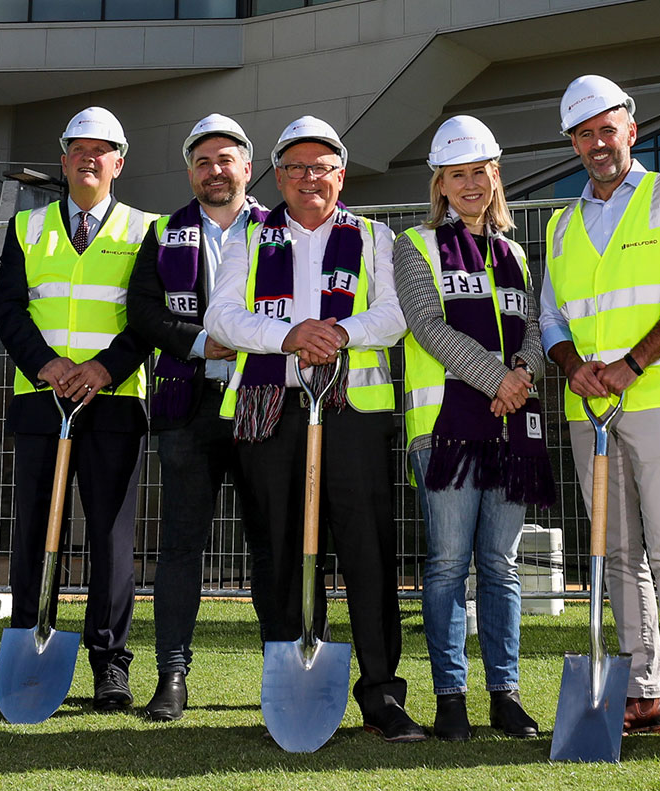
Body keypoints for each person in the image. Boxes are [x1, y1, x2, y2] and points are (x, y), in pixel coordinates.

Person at [202, 115, 423, 742]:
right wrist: (289, 337)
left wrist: (341, 335)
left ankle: (382, 694)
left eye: (320, 167)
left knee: (368, 554)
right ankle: (291, 682)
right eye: (294, 169)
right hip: (273, 414)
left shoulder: (376, 237)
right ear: (278, 176)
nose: (307, 180)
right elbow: (223, 314)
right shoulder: (249, 237)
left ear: (341, 174)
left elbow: (395, 313)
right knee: (279, 552)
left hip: (353, 415)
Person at [539, 75, 660, 759]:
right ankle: (643, 691)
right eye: (582, 134)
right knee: (616, 554)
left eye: (605, 129)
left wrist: (627, 366)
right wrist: (572, 365)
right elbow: (551, 316)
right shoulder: (560, 223)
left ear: (630, 131)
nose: (595, 143)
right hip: (590, 407)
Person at [394, 115, 555, 741]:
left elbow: (537, 327)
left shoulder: (514, 251)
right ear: (439, 184)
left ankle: (505, 694)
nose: (469, 185)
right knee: (446, 567)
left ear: (495, 178)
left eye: (479, 174)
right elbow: (427, 325)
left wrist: (523, 371)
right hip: (445, 432)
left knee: (502, 565)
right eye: (456, 175)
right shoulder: (415, 246)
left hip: (514, 431)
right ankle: (450, 697)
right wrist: (499, 381)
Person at [0, 106, 156, 712]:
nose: (89, 158)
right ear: (63, 161)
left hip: (113, 402)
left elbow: (150, 319)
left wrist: (103, 369)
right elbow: (8, 309)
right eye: (77, 149)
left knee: (111, 539)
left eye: (102, 149)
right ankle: (28, 651)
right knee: (35, 531)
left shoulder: (146, 229)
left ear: (120, 162)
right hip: (42, 400)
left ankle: (110, 664)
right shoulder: (28, 228)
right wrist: (50, 366)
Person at [125, 114, 271, 722]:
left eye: (226, 159)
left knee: (272, 544)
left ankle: (282, 668)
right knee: (181, 546)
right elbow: (142, 312)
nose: (216, 170)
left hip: (265, 404)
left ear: (246, 165)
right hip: (188, 408)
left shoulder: (280, 227)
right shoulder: (163, 233)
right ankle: (172, 676)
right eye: (203, 161)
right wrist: (200, 342)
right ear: (190, 171)